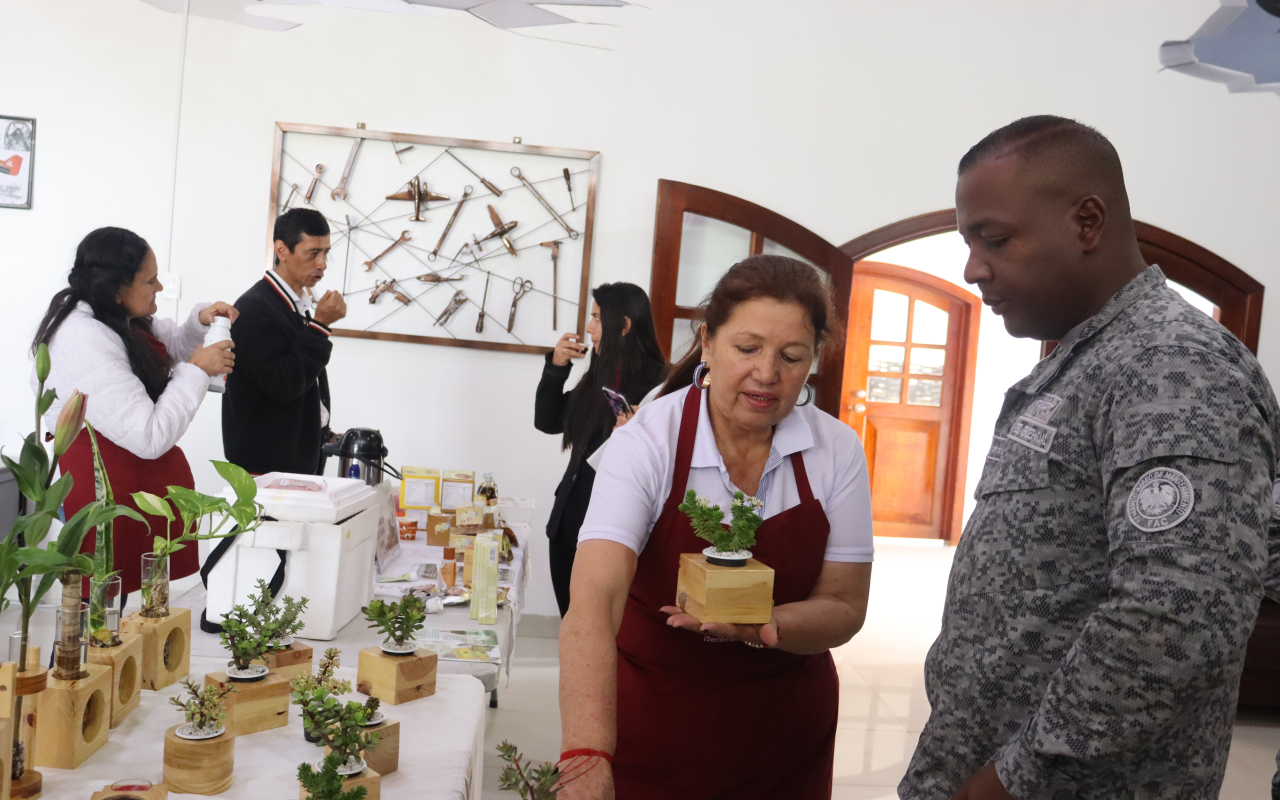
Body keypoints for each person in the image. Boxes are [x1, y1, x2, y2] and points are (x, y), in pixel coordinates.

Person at [900, 116, 1280, 800]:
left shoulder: (1172, 365)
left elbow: (1175, 619)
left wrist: (1013, 780)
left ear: (1087, 222)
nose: (972, 266)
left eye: (994, 238)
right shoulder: (1090, 360)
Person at [557, 255, 874, 799]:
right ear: (707, 343)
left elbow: (845, 606)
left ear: (813, 359)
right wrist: (585, 756)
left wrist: (764, 625)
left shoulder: (836, 450)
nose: (768, 373)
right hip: (652, 725)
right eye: (747, 348)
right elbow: (594, 600)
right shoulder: (647, 441)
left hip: (783, 739)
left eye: (791, 356)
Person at [31, 226, 237, 598]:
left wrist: (198, 324)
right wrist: (197, 370)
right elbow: (149, 435)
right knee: (98, 607)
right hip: (105, 490)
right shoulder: (85, 340)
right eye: (151, 280)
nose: (158, 288)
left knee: (120, 609)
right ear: (117, 289)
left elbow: (160, 345)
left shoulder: (113, 315)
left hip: (129, 484)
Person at [535, 283, 668, 617]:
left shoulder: (663, 385)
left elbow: (674, 459)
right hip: (566, 525)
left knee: (604, 633)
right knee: (573, 629)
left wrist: (642, 432)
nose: (590, 329)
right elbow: (547, 421)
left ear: (623, 326)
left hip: (611, 532)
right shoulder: (600, 374)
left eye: (596, 318)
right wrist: (556, 366)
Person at [223, 208, 346, 476]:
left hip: (292, 464)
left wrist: (322, 430)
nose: (322, 263)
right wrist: (321, 325)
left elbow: (302, 381)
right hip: (266, 470)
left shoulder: (291, 304)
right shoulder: (255, 307)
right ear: (282, 250)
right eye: (313, 253)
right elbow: (284, 384)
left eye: (326, 252)